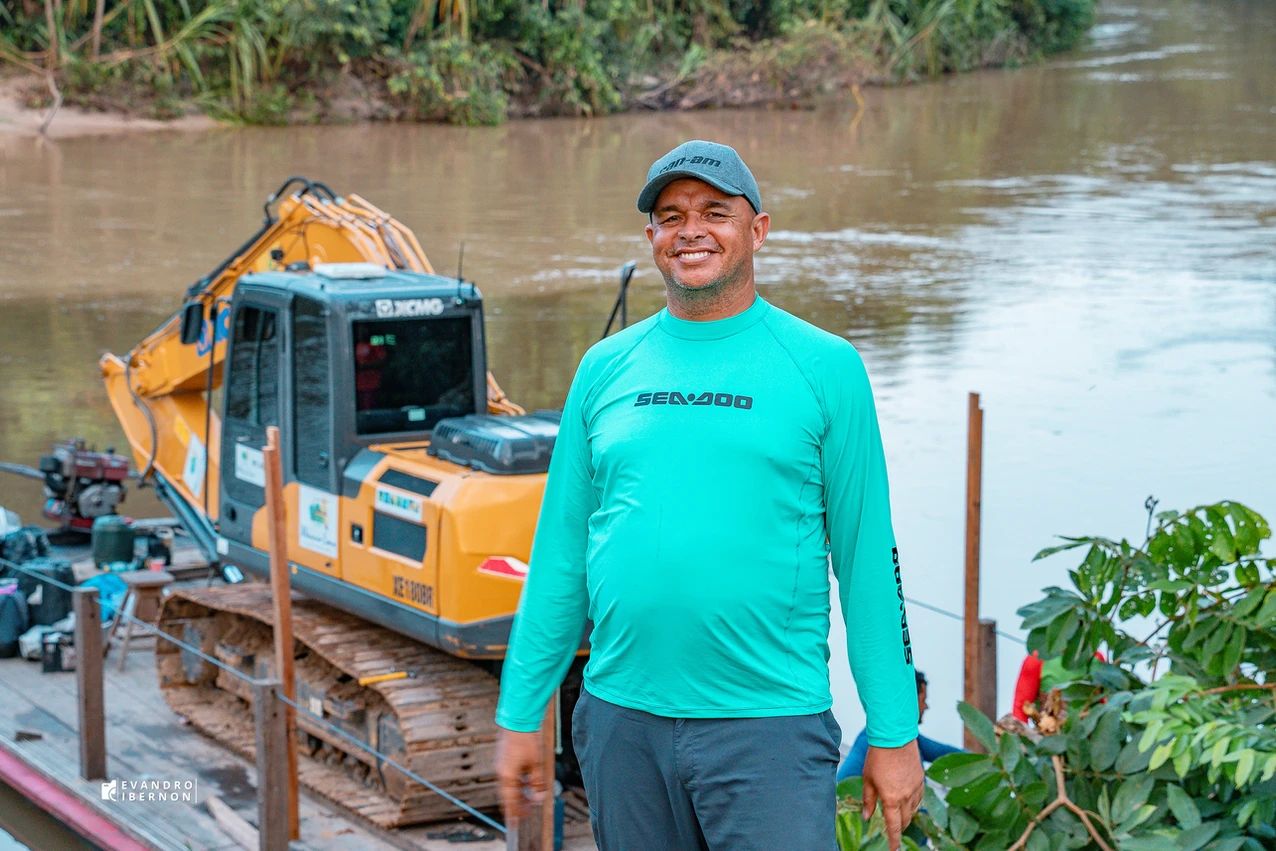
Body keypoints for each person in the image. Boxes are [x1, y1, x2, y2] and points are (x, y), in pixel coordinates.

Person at [494, 139, 924, 851]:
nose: (691, 229)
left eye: (714, 212)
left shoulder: (825, 368)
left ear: (758, 230)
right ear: (652, 238)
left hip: (769, 732)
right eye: (671, 215)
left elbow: (867, 559)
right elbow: (562, 552)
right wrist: (519, 709)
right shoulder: (604, 369)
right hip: (621, 723)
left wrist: (894, 729)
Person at [837, 670, 963, 781]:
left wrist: (981, 762)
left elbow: (945, 753)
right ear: (909, 700)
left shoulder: (909, 738)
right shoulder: (876, 738)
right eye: (923, 700)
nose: (926, 707)